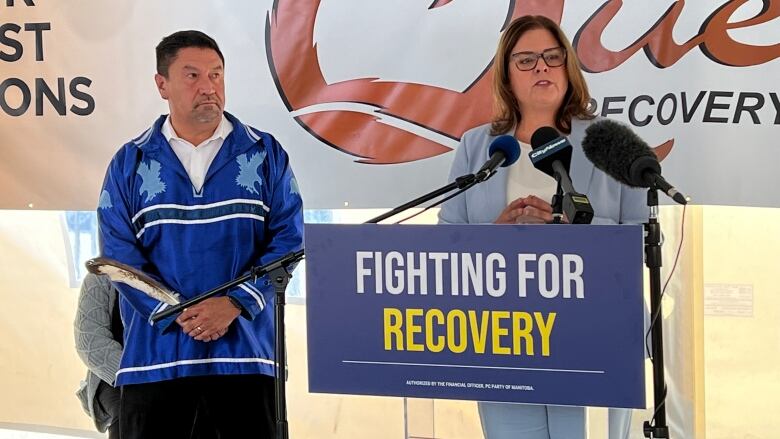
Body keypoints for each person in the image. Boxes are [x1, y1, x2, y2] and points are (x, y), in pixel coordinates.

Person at [437, 15, 647, 439]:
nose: (541, 68)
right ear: (507, 76)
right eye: (527, 60)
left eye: (552, 57)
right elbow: (447, 244)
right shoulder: (478, 147)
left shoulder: (610, 141)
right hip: (504, 340)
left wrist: (573, 228)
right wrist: (495, 233)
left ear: (568, 68)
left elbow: (642, 237)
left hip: (595, 334)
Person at [96, 30, 303, 439]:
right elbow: (119, 256)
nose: (208, 87)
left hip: (246, 358)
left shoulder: (264, 153)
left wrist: (234, 304)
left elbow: (289, 239)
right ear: (162, 84)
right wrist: (178, 313)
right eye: (192, 76)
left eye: (216, 74)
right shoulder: (129, 162)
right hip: (155, 363)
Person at [74, 273, 123, 439]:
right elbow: (90, 344)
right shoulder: (100, 277)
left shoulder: (180, 269)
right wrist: (137, 376)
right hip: (114, 376)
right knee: (132, 410)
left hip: (172, 372)